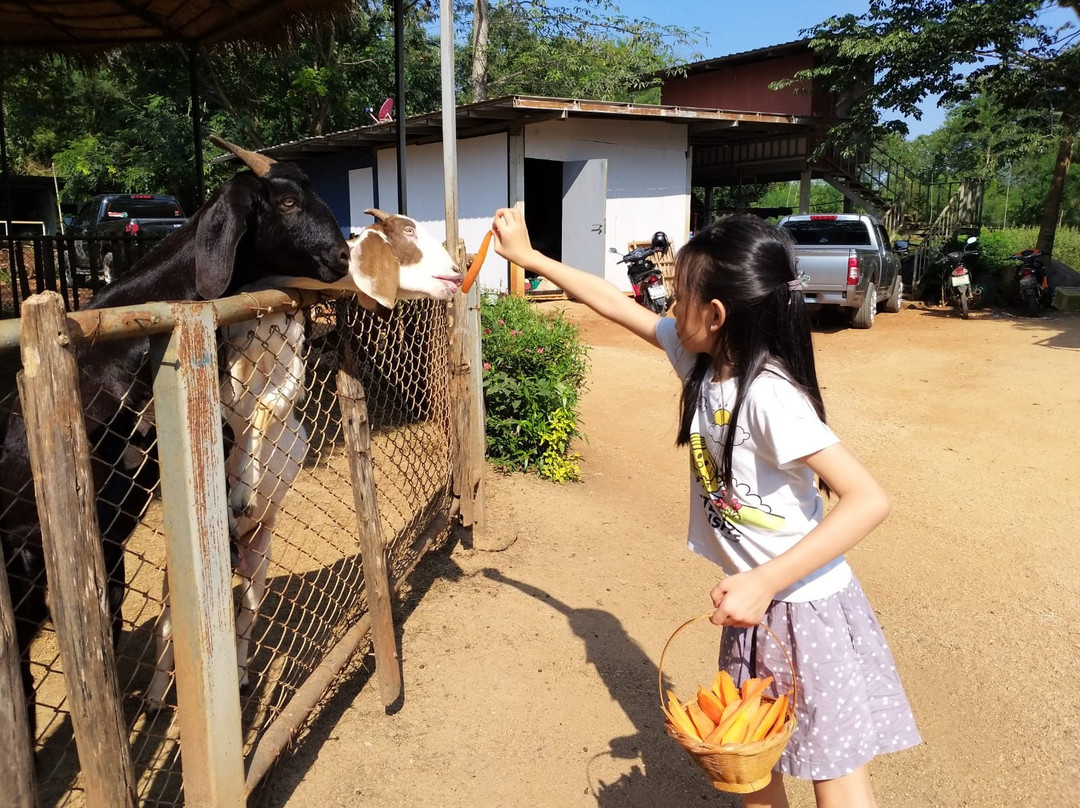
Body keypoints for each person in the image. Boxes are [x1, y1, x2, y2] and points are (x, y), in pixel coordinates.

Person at [489, 208, 920, 808]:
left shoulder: (771, 396)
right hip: (752, 605)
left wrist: (764, 581)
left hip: (807, 608)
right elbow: (615, 304)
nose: (667, 305)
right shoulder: (699, 362)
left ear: (715, 315)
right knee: (747, 753)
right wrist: (530, 259)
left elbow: (870, 499)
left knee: (833, 767)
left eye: (679, 294)